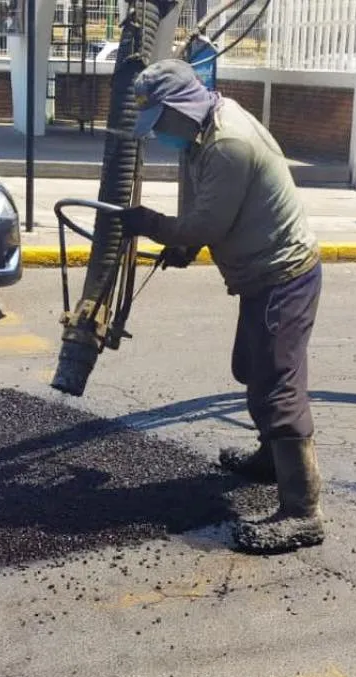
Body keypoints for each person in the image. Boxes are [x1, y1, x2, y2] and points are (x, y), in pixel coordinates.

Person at [116, 58, 325, 554]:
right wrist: (183, 243)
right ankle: (270, 459)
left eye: (158, 122)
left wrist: (152, 224)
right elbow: (210, 215)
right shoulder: (203, 132)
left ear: (179, 109)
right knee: (253, 371)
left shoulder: (227, 144)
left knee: (278, 387)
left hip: (283, 276)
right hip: (261, 278)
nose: (157, 134)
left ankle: (304, 512)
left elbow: (206, 224)